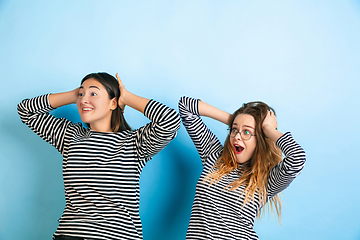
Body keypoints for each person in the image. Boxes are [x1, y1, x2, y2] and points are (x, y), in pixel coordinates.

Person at [17, 72, 181, 240]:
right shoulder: (70, 136)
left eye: (93, 93)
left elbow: (170, 121)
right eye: (81, 94)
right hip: (71, 234)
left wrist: (127, 97)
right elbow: (26, 110)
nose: (83, 100)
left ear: (113, 103)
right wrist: (75, 95)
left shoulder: (134, 142)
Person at [178, 96, 306, 240]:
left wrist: (267, 129)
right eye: (234, 130)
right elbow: (186, 106)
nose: (237, 137)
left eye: (246, 132)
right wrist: (237, 121)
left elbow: (297, 158)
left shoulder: (267, 180)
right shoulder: (214, 157)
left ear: (260, 140)